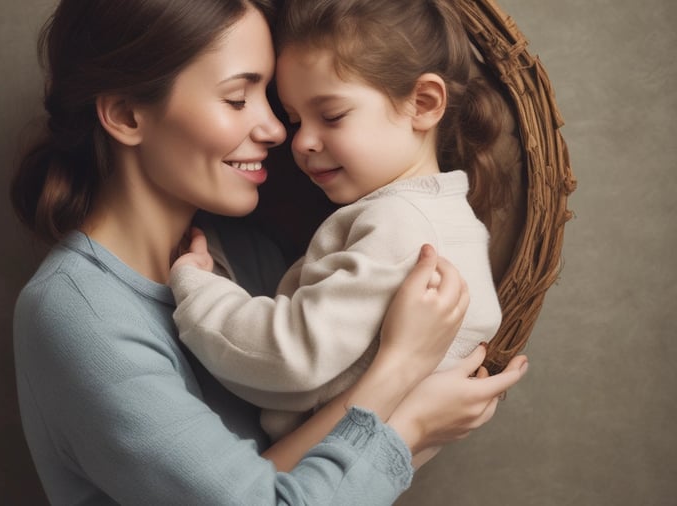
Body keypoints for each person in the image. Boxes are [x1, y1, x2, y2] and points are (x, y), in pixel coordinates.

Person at [10, 0, 528, 504]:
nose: (279, 131)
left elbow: (274, 472)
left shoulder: (252, 256)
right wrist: (402, 395)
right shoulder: (77, 313)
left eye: (274, 105)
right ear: (126, 115)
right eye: (238, 99)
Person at [171, 0, 508, 449]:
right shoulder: (446, 218)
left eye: (331, 116)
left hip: (319, 469)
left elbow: (290, 357)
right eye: (295, 119)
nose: (303, 141)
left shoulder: (399, 225)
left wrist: (197, 288)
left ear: (423, 104)